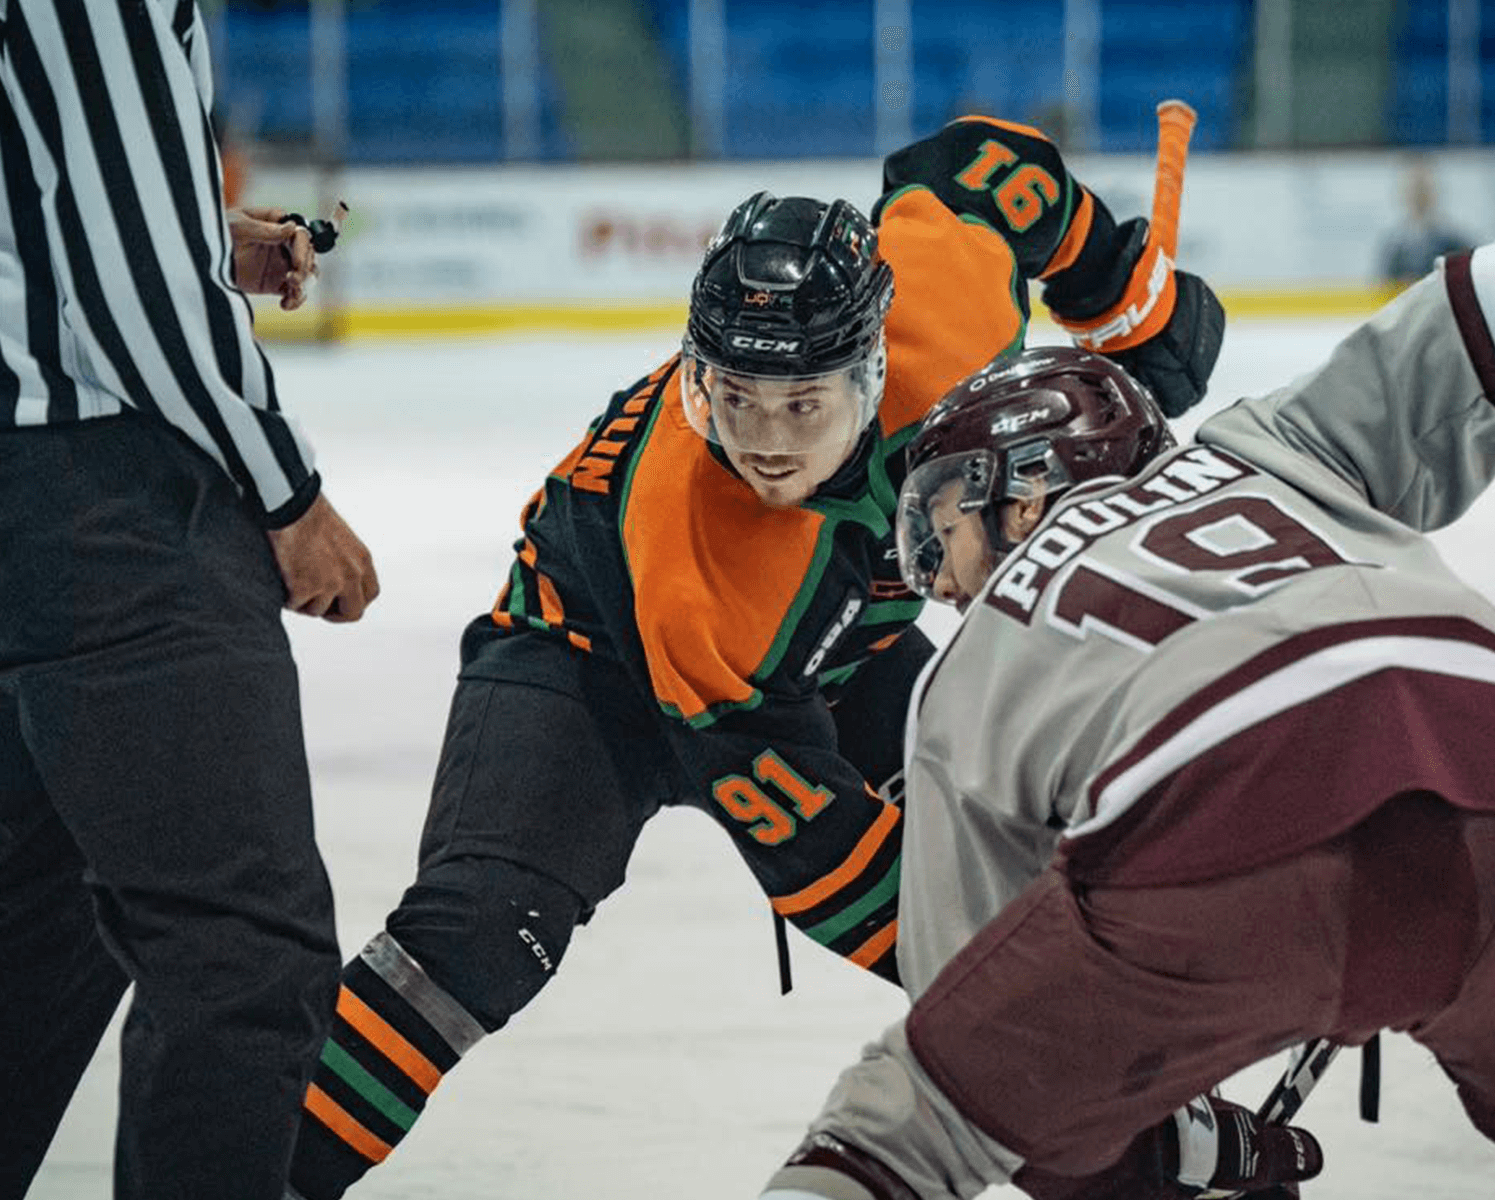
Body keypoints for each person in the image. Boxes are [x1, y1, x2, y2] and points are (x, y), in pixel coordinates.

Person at [283, 113, 1225, 1198]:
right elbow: (818, 858)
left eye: (801, 402)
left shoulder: (947, 314)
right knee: (479, 939)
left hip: (828, 648)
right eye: (734, 397)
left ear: (873, 369)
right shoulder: (709, 563)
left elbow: (979, 169)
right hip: (586, 659)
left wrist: (1117, 292)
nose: (765, 439)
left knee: (1017, 878)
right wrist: (1022, 996)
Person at [758, 237, 1495, 1200]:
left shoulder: (969, 673)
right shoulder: (1271, 448)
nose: (937, 582)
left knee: (906, 1126)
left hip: (1223, 820)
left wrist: (1178, 1164)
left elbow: (1012, 1066)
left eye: (940, 527)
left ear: (1025, 493)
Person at [0, 3, 379, 1199]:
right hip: (102, 503)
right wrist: (290, 496)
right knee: (241, 956)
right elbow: (131, 303)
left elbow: (59, 218)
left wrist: (202, 242)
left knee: (38, 922)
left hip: (34, 498)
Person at [1375, 157, 1474, 287]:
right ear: (1402, 193)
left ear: (1435, 191)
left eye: (1423, 188)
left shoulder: (1455, 244)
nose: (1418, 195)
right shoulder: (1394, 249)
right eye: (1413, 188)